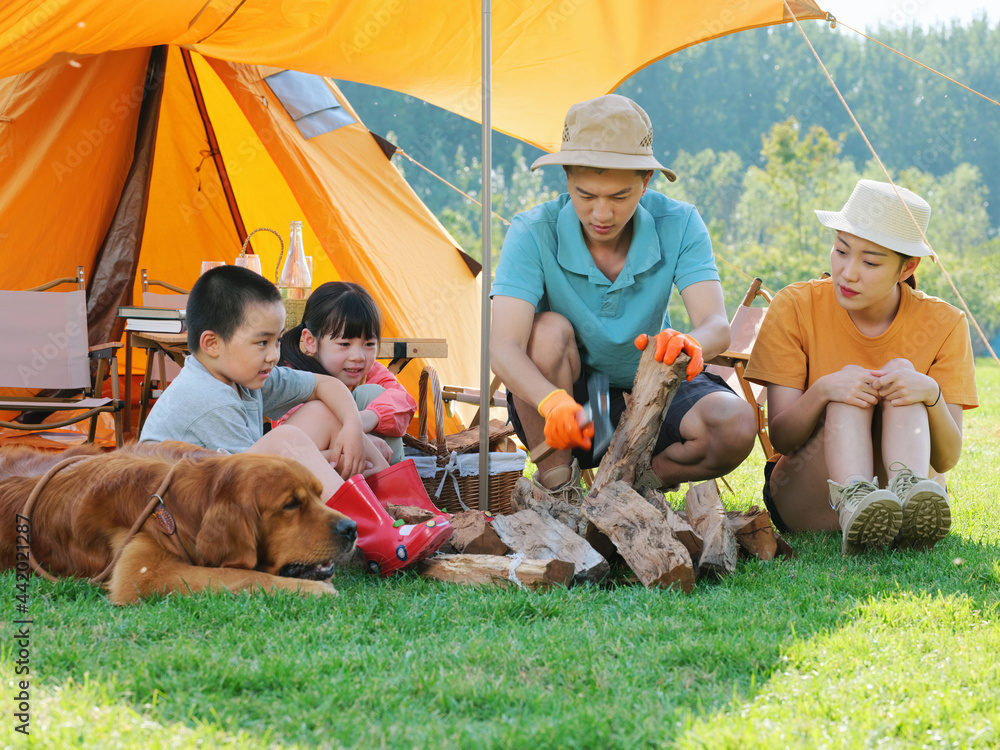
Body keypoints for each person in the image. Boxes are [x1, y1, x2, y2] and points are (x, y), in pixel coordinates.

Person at [490, 94, 757, 499]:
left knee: (736, 423)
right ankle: (560, 487)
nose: (601, 214)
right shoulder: (531, 231)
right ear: (566, 177)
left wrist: (692, 343)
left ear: (646, 183)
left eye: (619, 197)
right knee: (545, 332)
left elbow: (717, 325)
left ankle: (624, 489)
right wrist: (551, 401)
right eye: (586, 195)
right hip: (573, 406)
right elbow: (502, 346)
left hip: (654, 391)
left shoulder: (680, 222)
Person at [139, 265, 452, 575]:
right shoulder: (206, 398)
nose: (274, 354)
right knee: (284, 439)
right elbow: (246, 481)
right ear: (212, 344)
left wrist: (353, 431)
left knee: (326, 411)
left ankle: (408, 516)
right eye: (262, 343)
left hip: (222, 497)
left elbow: (325, 385)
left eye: (276, 341)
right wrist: (325, 457)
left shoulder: (242, 375)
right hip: (183, 526)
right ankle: (378, 537)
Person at [744, 179, 979, 554]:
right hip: (814, 493)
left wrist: (930, 395)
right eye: (841, 250)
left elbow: (947, 459)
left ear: (907, 268)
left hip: (905, 488)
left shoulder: (945, 322)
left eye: (870, 262)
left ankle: (908, 494)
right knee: (847, 396)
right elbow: (784, 439)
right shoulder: (794, 306)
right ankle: (856, 503)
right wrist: (824, 390)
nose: (848, 272)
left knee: (904, 381)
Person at [277, 281, 417, 467]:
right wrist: (357, 438)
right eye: (345, 344)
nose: (358, 357)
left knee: (373, 394)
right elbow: (297, 435)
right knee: (322, 409)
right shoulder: (293, 376)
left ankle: (388, 485)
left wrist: (359, 426)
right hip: (312, 469)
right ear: (311, 341)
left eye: (369, 344)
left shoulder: (371, 372)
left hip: (364, 464)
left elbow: (403, 401)